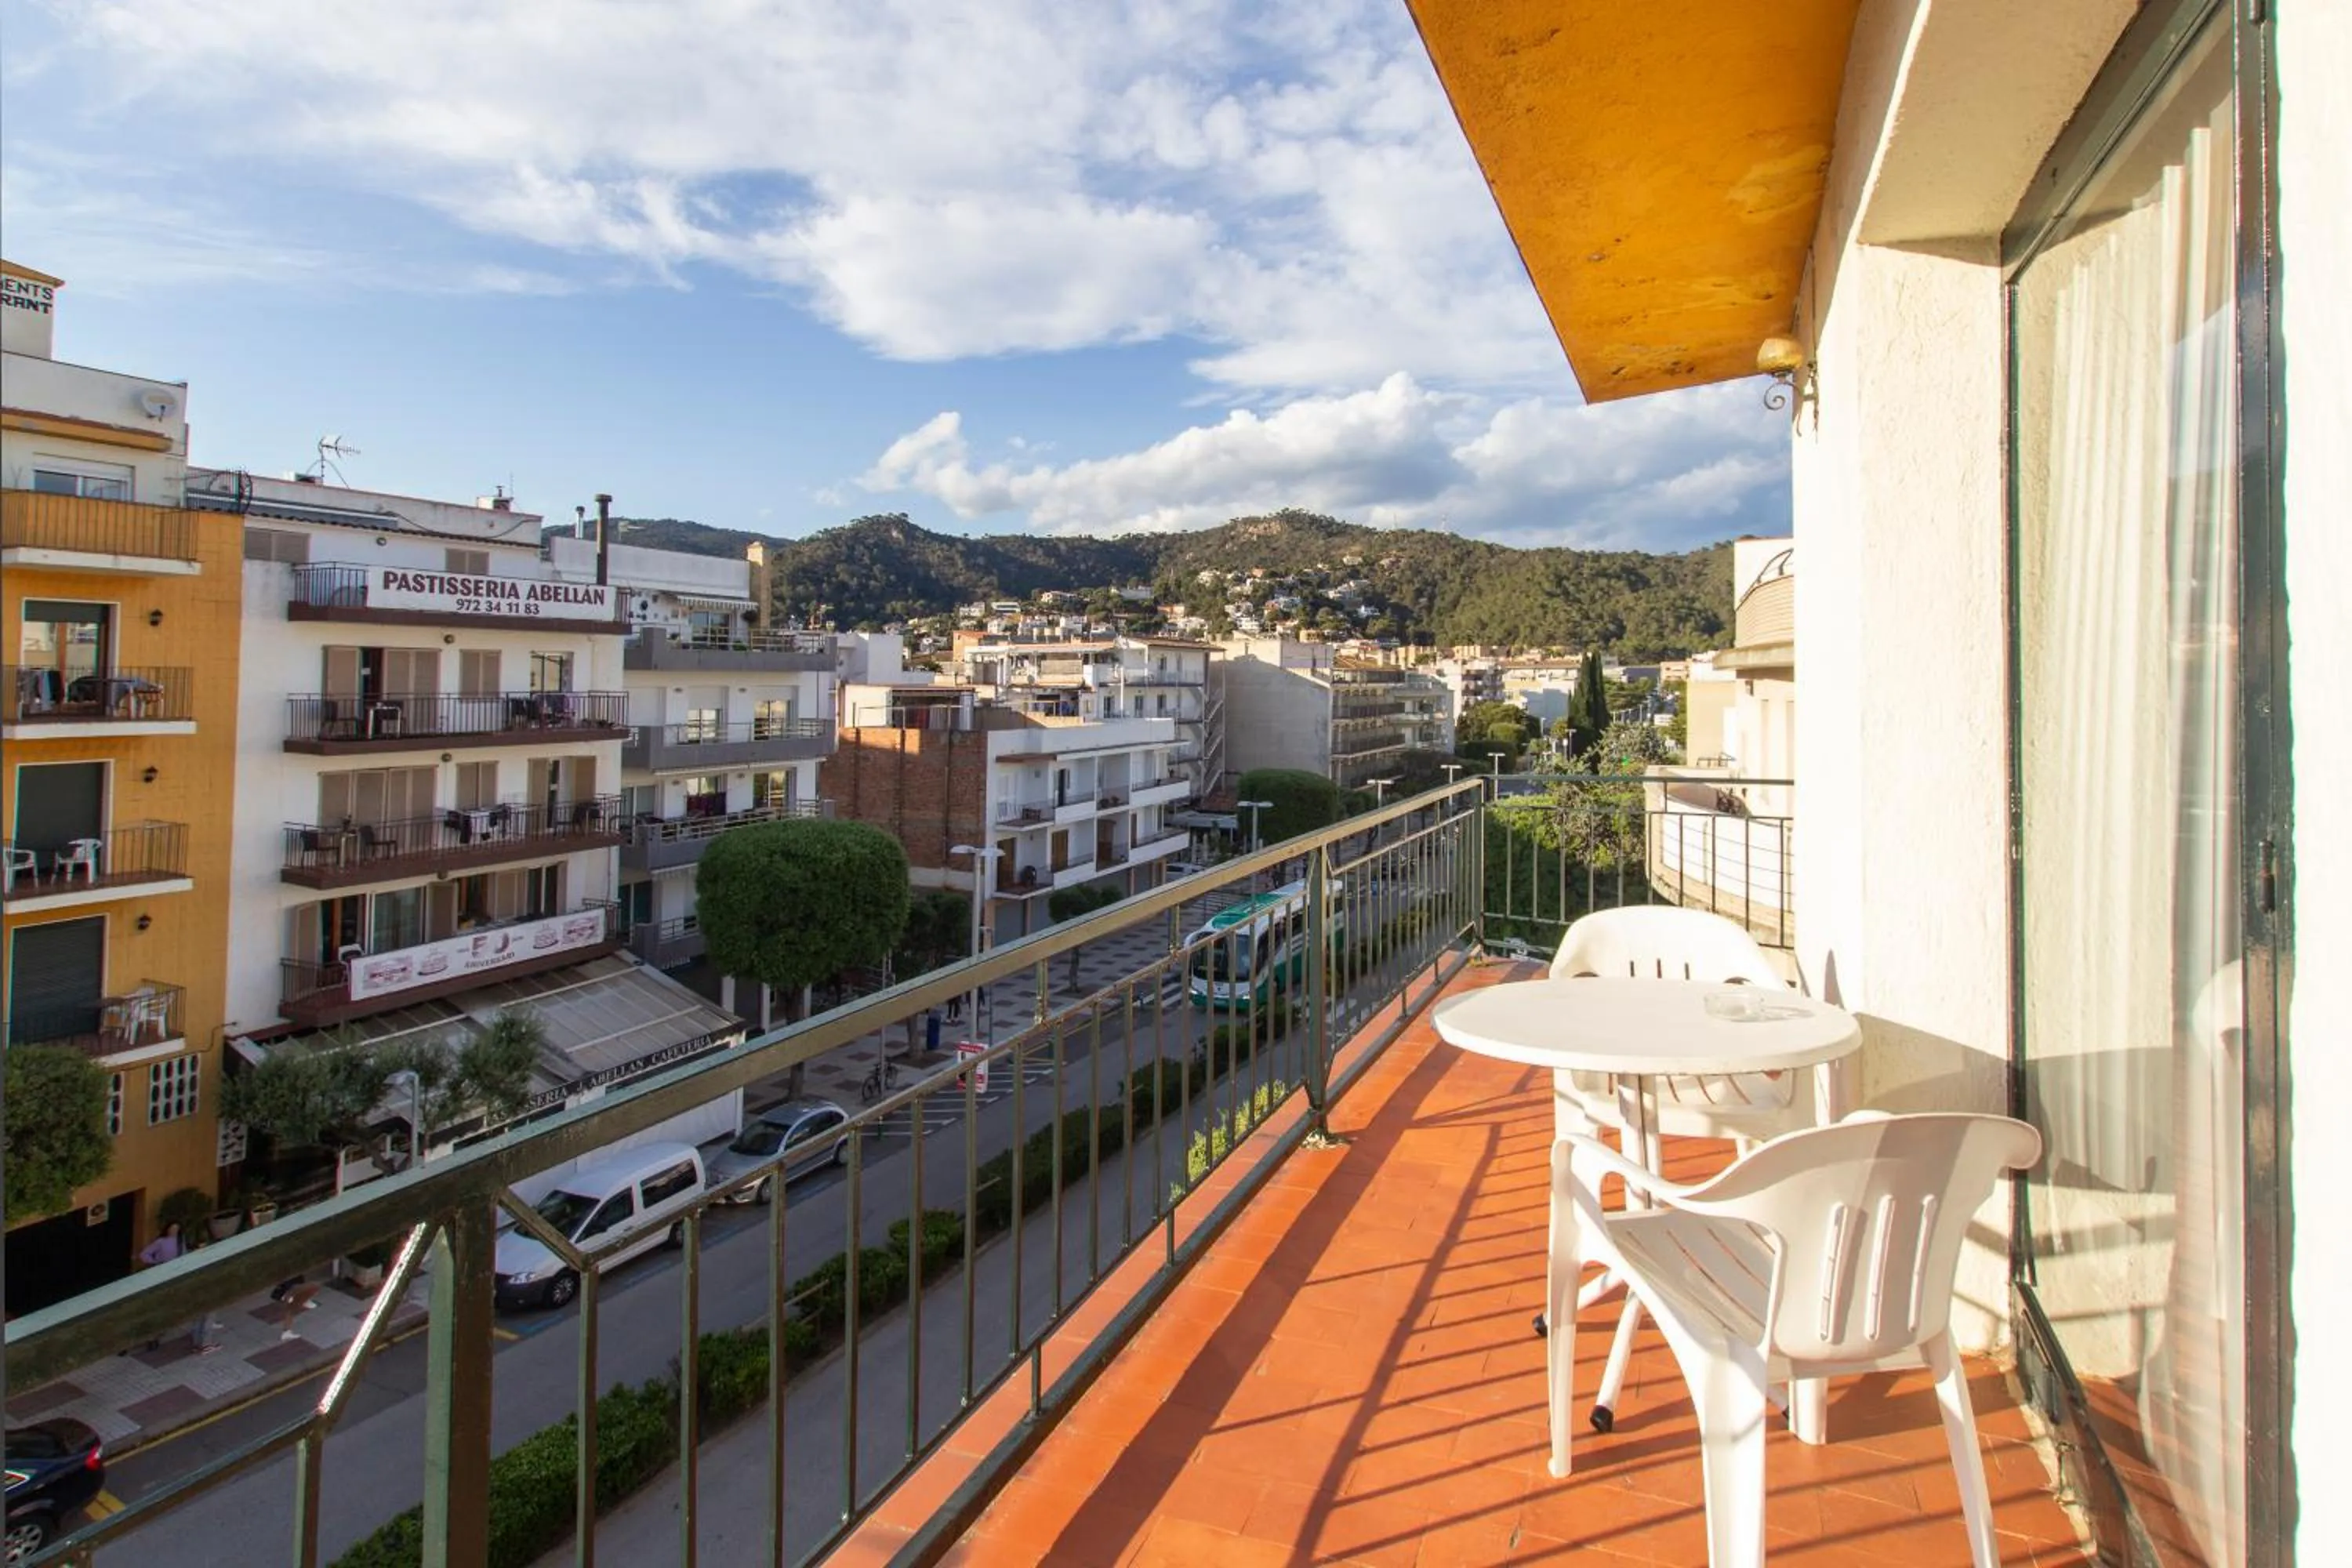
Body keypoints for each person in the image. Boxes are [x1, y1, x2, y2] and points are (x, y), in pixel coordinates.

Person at [270, 1276, 322, 1341]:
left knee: (290, 1310)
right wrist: (289, 1295)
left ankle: (287, 1332)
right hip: (288, 1291)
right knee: (290, 1309)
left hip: (290, 1289)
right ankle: (286, 1332)